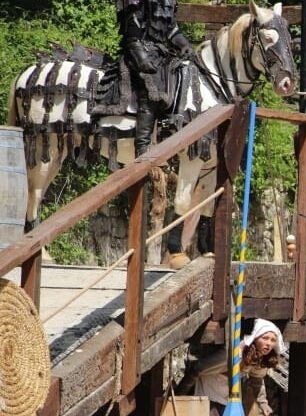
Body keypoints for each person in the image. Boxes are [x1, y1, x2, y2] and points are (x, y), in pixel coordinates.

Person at [114, 0, 203, 266]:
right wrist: (141, 56)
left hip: (162, 54)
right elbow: (131, 28)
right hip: (137, 50)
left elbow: (170, 28)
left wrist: (183, 42)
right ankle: (142, 146)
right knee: (151, 89)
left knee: (183, 76)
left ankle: (173, 130)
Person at [191, 319, 286, 416]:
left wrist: (263, 403)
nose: (268, 343)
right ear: (255, 337)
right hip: (210, 391)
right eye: (265, 338)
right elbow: (199, 369)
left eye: (273, 340)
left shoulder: (260, 358)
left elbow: (257, 379)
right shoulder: (234, 353)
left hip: (229, 395)